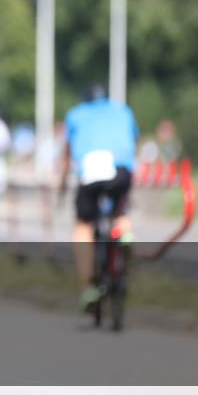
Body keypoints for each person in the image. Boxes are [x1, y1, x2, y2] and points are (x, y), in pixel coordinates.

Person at [57, 83, 139, 311]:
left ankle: (87, 287)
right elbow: (133, 143)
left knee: (83, 225)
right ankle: (125, 233)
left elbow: (67, 155)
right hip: (120, 168)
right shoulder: (123, 110)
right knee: (120, 210)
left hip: (91, 170)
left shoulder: (75, 114)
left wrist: (62, 186)